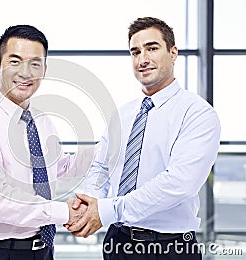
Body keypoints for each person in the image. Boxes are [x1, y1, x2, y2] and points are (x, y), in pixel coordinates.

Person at [66, 17, 221, 260]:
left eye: (152, 48)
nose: (143, 59)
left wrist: (108, 210)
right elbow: (101, 166)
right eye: (135, 52)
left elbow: (179, 183)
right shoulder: (123, 114)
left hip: (170, 248)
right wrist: (89, 202)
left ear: (173, 53)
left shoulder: (198, 113)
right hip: (118, 242)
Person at [0, 25, 91, 260]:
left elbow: (57, 169)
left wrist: (108, 148)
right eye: (15, 61)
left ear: (44, 70)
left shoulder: (41, 119)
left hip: (42, 250)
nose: (26, 73)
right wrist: (64, 212)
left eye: (35, 64)